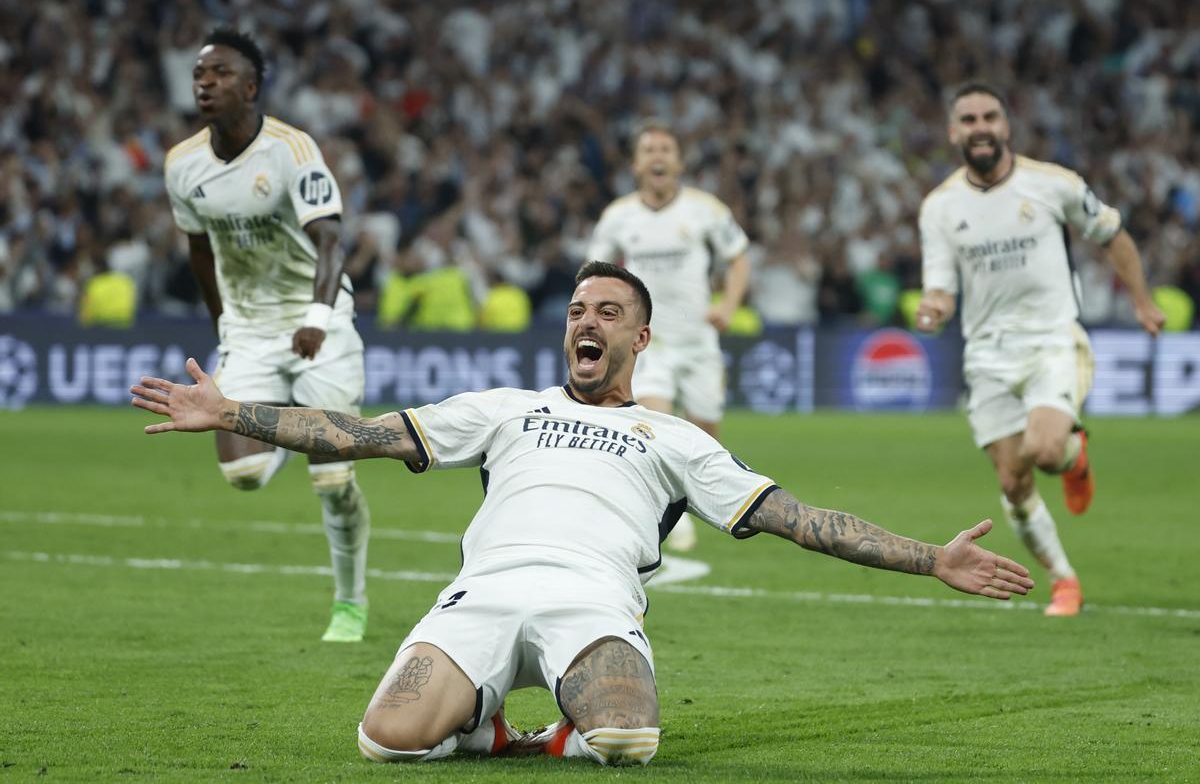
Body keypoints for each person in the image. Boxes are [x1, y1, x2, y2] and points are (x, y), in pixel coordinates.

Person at [131, 261, 1035, 768]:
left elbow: (800, 518)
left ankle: (551, 725)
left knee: (628, 740)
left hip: (592, 604)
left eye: (606, 311)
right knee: (383, 741)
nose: (583, 322)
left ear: (640, 337)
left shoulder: (674, 438)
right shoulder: (504, 410)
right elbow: (359, 433)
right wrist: (232, 414)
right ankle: (492, 732)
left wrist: (931, 558)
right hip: (480, 596)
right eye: (574, 310)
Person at [916, 83, 1165, 618]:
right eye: (968, 119)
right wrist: (933, 309)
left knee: (1047, 450)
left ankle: (1075, 458)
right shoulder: (939, 207)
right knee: (1013, 480)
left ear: (1005, 126)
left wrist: (1142, 302)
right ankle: (1064, 579)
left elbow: (1113, 234)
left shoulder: (1053, 184)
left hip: (1052, 340)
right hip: (986, 355)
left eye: (989, 116)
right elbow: (939, 284)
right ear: (953, 132)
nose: (980, 126)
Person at [161, 28, 372, 642]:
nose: (205, 83)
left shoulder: (291, 149)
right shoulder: (183, 164)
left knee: (333, 481)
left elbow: (331, 237)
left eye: (220, 73)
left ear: (250, 87)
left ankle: (350, 603)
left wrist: (317, 318)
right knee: (244, 476)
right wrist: (224, 326)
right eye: (200, 74)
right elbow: (200, 251)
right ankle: (292, 423)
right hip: (250, 331)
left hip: (318, 320)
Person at [587, 120, 751, 553]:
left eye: (665, 149)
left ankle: (691, 504)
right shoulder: (618, 217)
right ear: (636, 164)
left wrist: (728, 306)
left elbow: (738, 261)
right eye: (648, 150)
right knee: (654, 425)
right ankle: (666, 515)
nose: (657, 156)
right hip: (648, 343)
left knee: (705, 440)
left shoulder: (706, 210)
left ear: (678, 162)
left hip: (698, 341)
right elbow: (596, 276)